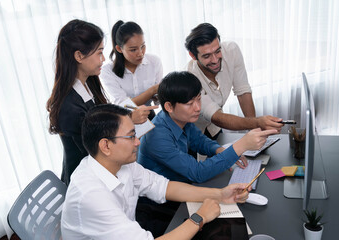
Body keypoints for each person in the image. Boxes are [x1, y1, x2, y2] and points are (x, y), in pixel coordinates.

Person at [61, 103, 251, 240]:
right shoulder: (91, 195)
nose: (137, 142)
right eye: (131, 136)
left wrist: (220, 195)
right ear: (106, 146)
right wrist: (199, 217)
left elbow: (164, 187)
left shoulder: (119, 164)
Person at [46, 19, 155, 185]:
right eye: (99, 53)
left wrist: (129, 116)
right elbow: (97, 144)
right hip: (87, 182)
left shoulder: (88, 83)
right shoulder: (70, 107)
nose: (104, 59)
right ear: (79, 56)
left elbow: (102, 117)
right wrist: (129, 119)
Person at [138, 71, 278, 184]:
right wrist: (241, 146)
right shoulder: (156, 136)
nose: (198, 108)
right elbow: (198, 173)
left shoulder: (178, 117)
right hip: (161, 205)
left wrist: (220, 150)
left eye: (199, 99)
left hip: (180, 186)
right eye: (190, 103)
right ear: (169, 106)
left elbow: (199, 140)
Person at [185, 23, 283, 139]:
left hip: (214, 128)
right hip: (192, 133)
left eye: (217, 51)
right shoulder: (191, 79)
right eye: (207, 56)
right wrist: (257, 122)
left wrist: (255, 132)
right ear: (193, 56)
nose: (215, 60)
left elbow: (243, 91)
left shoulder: (231, 50)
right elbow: (216, 117)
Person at [101, 20, 163, 119]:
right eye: (133, 49)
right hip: (125, 120)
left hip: (149, 116)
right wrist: (152, 91)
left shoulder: (154, 62)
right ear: (119, 49)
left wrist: (159, 94)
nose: (140, 53)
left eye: (143, 46)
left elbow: (159, 98)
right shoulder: (107, 71)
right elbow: (123, 106)